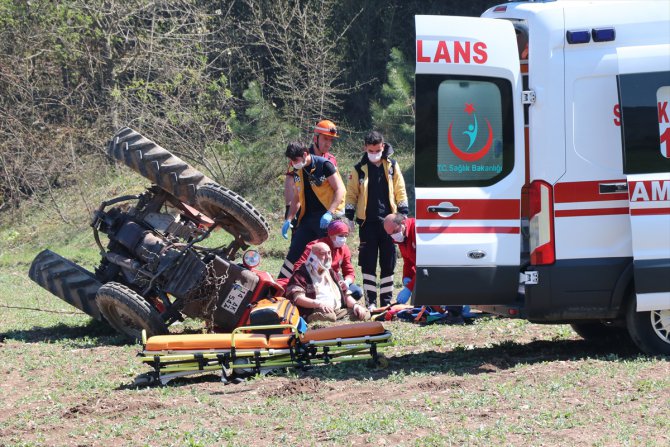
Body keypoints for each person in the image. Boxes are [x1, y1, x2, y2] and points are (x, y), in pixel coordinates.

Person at [345, 131, 408, 309]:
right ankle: (370, 302)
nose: (375, 153)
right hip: (367, 223)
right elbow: (351, 194)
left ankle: (386, 302)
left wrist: (402, 213)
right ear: (365, 148)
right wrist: (349, 217)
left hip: (389, 224)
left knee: (388, 263)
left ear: (383, 146)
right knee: (368, 264)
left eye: (378, 150)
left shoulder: (392, 166)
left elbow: (400, 189)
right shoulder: (358, 169)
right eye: (371, 150)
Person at [279, 142, 345, 279]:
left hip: (326, 218)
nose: (293, 163)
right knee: (294, 253)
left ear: (304, 154)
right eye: (291, 160)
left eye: (295, 160)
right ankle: (279, 286)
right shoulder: (298, 171)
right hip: (308, 218)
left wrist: (330, 213)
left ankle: (335, 290)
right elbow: (297, 198)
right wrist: (288, 219)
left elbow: (340, 190)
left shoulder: (324, 165)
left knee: (327, 255)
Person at [277, 219, 363, 300]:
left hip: (334, 282)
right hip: (313, 281)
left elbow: (349, 272)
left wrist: (347, 282)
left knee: (356, 292)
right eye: (340, 236)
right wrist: (321, 273)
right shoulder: (315, 246)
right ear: (331, 235)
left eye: (345, 236)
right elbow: (298, 266)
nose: (343, 239)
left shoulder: (344, 249)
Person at [285, 242, 369, 323]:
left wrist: (355, 305)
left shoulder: (332, 272)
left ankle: (340, 320)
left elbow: (345, 294)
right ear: (313, 256)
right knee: (329, 317)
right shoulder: (301, 274)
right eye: (323, 254)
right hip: (316, 310)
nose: (327, 257)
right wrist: (319, 304)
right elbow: (298, 298)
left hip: (337, 311)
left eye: (329, 253)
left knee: (364, 313)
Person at [283, 120, 340, 222]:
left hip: (325, 213)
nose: (328, 144)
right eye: (325, 139)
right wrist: (289, 208)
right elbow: (289, 182)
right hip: (304, 213)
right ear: (315, 138)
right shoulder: (299, 157)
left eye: (331, 140)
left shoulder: (331, 160)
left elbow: (338, 188)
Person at [382, 213, 416, 305]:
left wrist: (409, 288)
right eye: (390, 234)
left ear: (403, 222)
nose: (394, 235)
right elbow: (408, 261)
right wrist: (407, 277)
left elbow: (426, 266)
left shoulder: (417, 231)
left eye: (395, 231)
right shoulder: (401, 238)